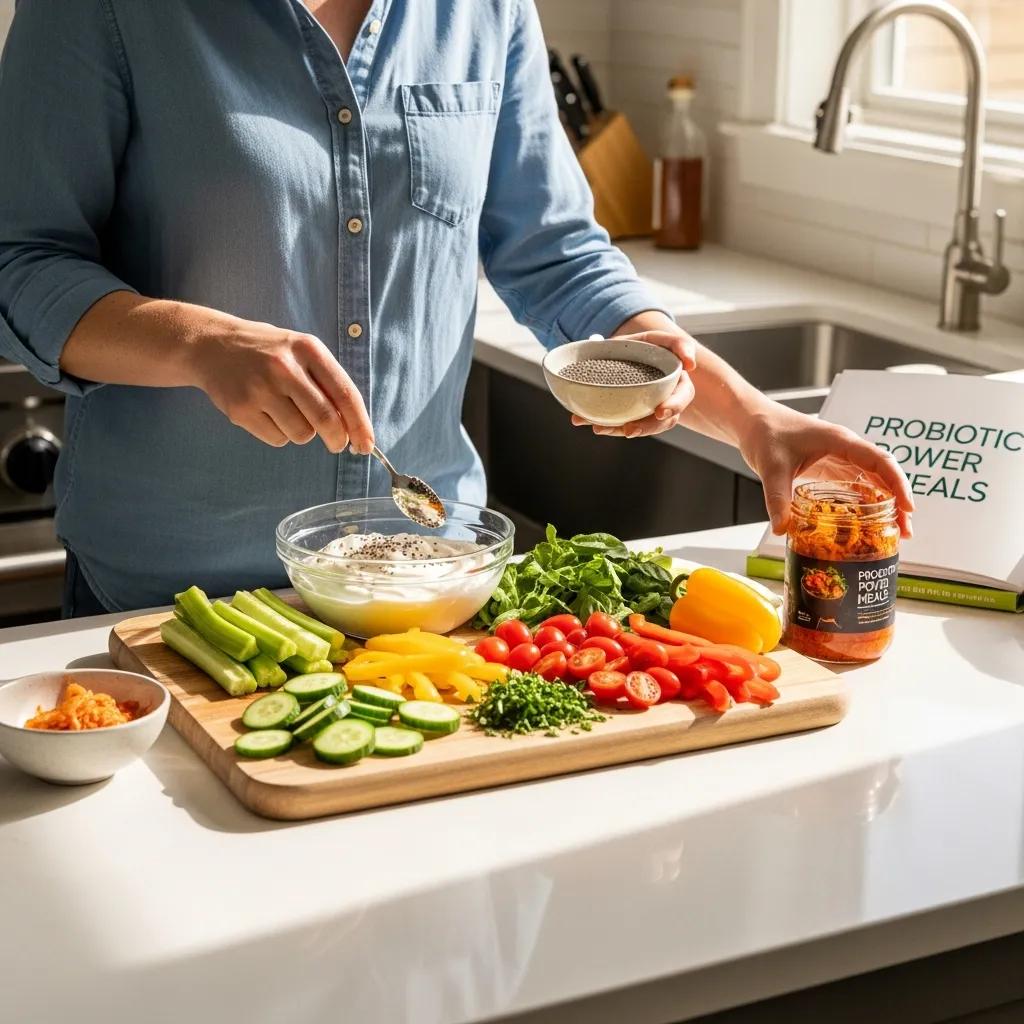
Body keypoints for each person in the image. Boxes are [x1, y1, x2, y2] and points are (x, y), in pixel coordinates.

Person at [0, 0, 912, 617]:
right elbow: (19, 260)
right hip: (173, 601)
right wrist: (197, 342)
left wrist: (756, 423)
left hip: (426, 592)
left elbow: (553, 253)